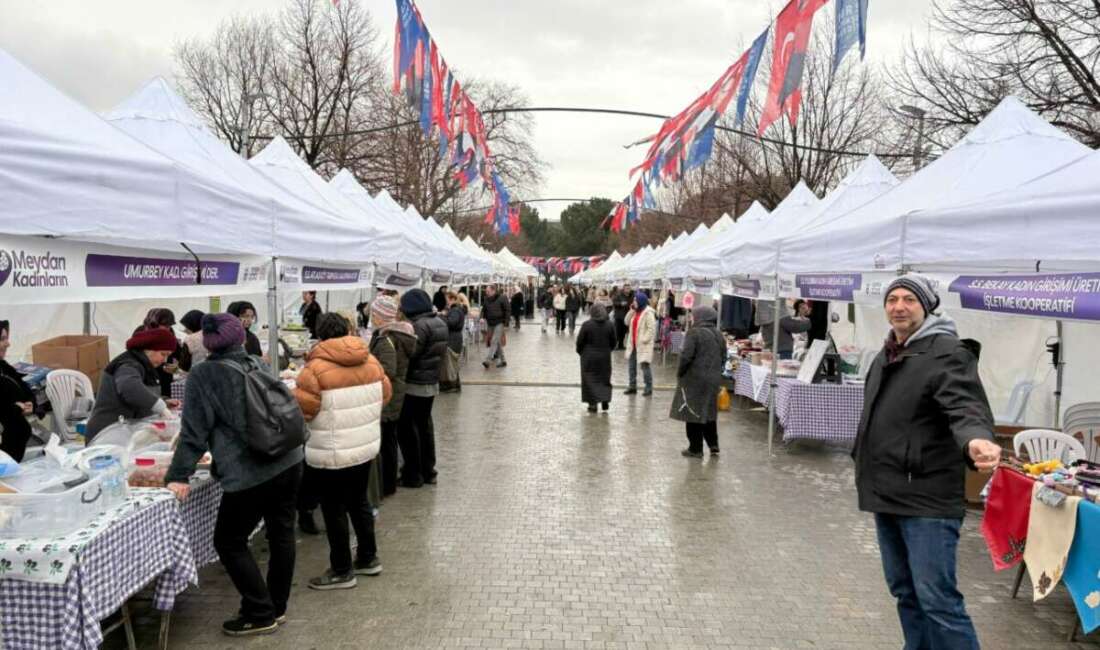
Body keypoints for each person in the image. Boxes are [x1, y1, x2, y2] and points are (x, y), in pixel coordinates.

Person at [853, 275, 1001, 650]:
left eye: (909, 300)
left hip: (927, 498)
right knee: (905, 592)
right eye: (892, 299)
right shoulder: (888, 353)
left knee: (938, 600)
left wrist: (976, 440)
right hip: (886, 492)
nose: (898, 306)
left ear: (927, 306)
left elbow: (965, 406)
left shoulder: (948, 351)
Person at [165, 313, 305, 636]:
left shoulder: (204, 375)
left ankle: (259, 610)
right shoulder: (256, 362)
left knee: (228, 540)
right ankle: (276, 606)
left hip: (251, 470)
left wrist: (178, 475)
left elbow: (192, 435)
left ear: (208, 343)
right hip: (288, 458)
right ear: (240, 338)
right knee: (281, 531)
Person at [292, 313, 391, 590]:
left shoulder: (314, 369)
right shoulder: (370, 360)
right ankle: (368, 558)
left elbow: (305, 410)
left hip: (331, 450)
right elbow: (385, 396)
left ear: (320, 334)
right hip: (364, 446)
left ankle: (341, 569)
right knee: (359, 501)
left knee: (334, 508)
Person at [86, 327, 178, 441]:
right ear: (149, 349)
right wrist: (160, 407)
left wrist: (163, 401)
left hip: (123, 430)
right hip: (106, 434)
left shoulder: (144, 365)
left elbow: (144, 391)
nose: (165, 360)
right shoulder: (129, 364)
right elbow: (129, 388)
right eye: (163, 354)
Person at [398, 289, 448, 488]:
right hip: (430, 383)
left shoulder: (419, 326)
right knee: (425, 426)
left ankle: (413, 474)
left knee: (409, 430)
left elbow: (412, 354)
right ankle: (429, 470)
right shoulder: (439, 322)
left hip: (415, 384)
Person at [368, 294, 417, 496]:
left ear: (380, 316)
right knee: (389, 439)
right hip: (394, 393)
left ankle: (386, 484)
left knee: (387, 441)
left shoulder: (387, 338)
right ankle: (388, 482)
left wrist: (368, 369)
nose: (370, 316)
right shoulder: (391, 335)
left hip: (388, 395)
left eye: (373, 313)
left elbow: (389, 369)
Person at [671, 306, 727, 457]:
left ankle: (695, 448)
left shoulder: (694, 332)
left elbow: (686, 356)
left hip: (695, 378)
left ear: (700, 317)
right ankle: (713, 444)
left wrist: (680, 372)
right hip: (713, 379)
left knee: (693, 412)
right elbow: (724, 356)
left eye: (694, 315)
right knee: (709, 411)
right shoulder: (718, 334)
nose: (692, 318)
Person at [0, 321, 36, 461]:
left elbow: (23, 387)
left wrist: (30, 402)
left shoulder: (3, 367)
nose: (8, 344)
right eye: (2, 339)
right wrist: (15, 408)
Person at [575, 304, 617, 413]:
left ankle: (592, 404)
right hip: (604, 356)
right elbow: (614, 342)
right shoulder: (610, 325)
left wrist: (581, 352)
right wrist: (607, 350)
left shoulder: (587, 325)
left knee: (590, 379)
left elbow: (580, 342)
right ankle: (604, 399)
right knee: (604, 378)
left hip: (589, 357)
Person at [137, 308, 181, 397]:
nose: (168, 329)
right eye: (166, 326)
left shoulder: (170, 332)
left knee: (166, 403)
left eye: (170, 326)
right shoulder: (141, 332)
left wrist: (176, 367)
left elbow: (178, 352)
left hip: (165, 377)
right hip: (147, 376)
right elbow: (137, 356)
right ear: (155, 323)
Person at [623, 291, 657, 396]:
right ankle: (632, 386)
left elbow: (651, 329)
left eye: (635, 300)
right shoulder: (635, 311)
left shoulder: (648, 313)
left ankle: (648, 387)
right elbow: (626, 322)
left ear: (641, 301)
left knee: (645, 366)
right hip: (633, 344)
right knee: (631, 366)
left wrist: (644, 339)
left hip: (643, 344)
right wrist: (631, 311)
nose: (634, 301)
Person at [441, 291, 467, 393]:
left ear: (451, 299)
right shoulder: (456, 309)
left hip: (453, 339)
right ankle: (454, 385)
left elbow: (452, 322)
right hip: (455, 338)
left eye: (447, 299)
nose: (446, 301)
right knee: (452, 363)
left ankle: (453, 386)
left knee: (451, 363)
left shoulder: (455, 310)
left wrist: (443, 316)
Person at [481, 285, 510, 369]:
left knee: (494, 341)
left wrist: (506, 323)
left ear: (493, 291)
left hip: (499, 322)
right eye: (486, 291)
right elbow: (484, 310)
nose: (486, 293)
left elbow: (507, 310)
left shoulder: (502, 298)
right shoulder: (486, 299)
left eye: (488, 291)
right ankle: (503, 360)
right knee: (497, 342)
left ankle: (488, 361)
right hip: (490, 323)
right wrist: (482, 317)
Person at [611, 286, 632, 350]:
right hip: (619, 316)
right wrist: (620, 304)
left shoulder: (631, 296)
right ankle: (615, 345)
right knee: (617, 331)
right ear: (623, 289)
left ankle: (621, 345)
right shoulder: (619, 295)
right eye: (626, 288)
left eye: (629, 288)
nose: (628, 290)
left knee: (623, 332)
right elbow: (614, 303)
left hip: (626, 316)